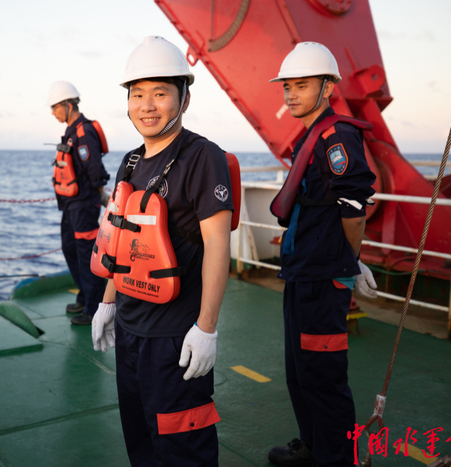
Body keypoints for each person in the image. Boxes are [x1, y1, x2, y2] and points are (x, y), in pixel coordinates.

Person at [91, 36, 234, 466]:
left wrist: (206, 328)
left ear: (184, 98)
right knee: (141, 443)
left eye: (160, 93)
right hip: (130, 329)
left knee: (183, 450)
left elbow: (218, 244)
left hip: (176, 338)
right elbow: (120, 240)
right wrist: (108, 303)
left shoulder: (202, 157)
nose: (147, 106)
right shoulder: (131, 162)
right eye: (137, 95)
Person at [266, 42, 378, 467]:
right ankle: (313, 446)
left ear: (328, 87)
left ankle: (337, 459)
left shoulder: (337, 137)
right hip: (302, 271)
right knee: (300, 371)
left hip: (323, 276)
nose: (291, 94)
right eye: (287, 86)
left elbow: (354, 207)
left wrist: (351, 262)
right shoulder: (312, 134)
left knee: (325, 376)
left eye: (302, 85)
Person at [47, 81, 109, 325]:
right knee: (69, 248)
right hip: (71, 205)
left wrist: (99, 196)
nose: (53, 113)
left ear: (68, 105)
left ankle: (94, 308)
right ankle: (84, 296)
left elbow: (95, 169)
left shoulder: (83, 132)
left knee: (86, 254)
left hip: (83, 204)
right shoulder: (72, 131)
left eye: (55, 107)